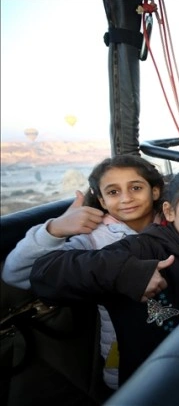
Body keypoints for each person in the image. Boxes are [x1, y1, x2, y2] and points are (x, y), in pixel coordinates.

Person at [29, 168, 179, 387]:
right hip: (146, 380)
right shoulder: (141, 248)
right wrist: (125, 272)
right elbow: (44, 273)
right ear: (170, 212)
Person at [2, 154, 165, 392]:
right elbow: (16, 273)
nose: (126, 198)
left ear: (156, 192)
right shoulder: (92, 239)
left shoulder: (175, 224)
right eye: (113, 192)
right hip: (123, 349)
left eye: (136, 187)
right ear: (101, 199)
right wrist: (55, 229)